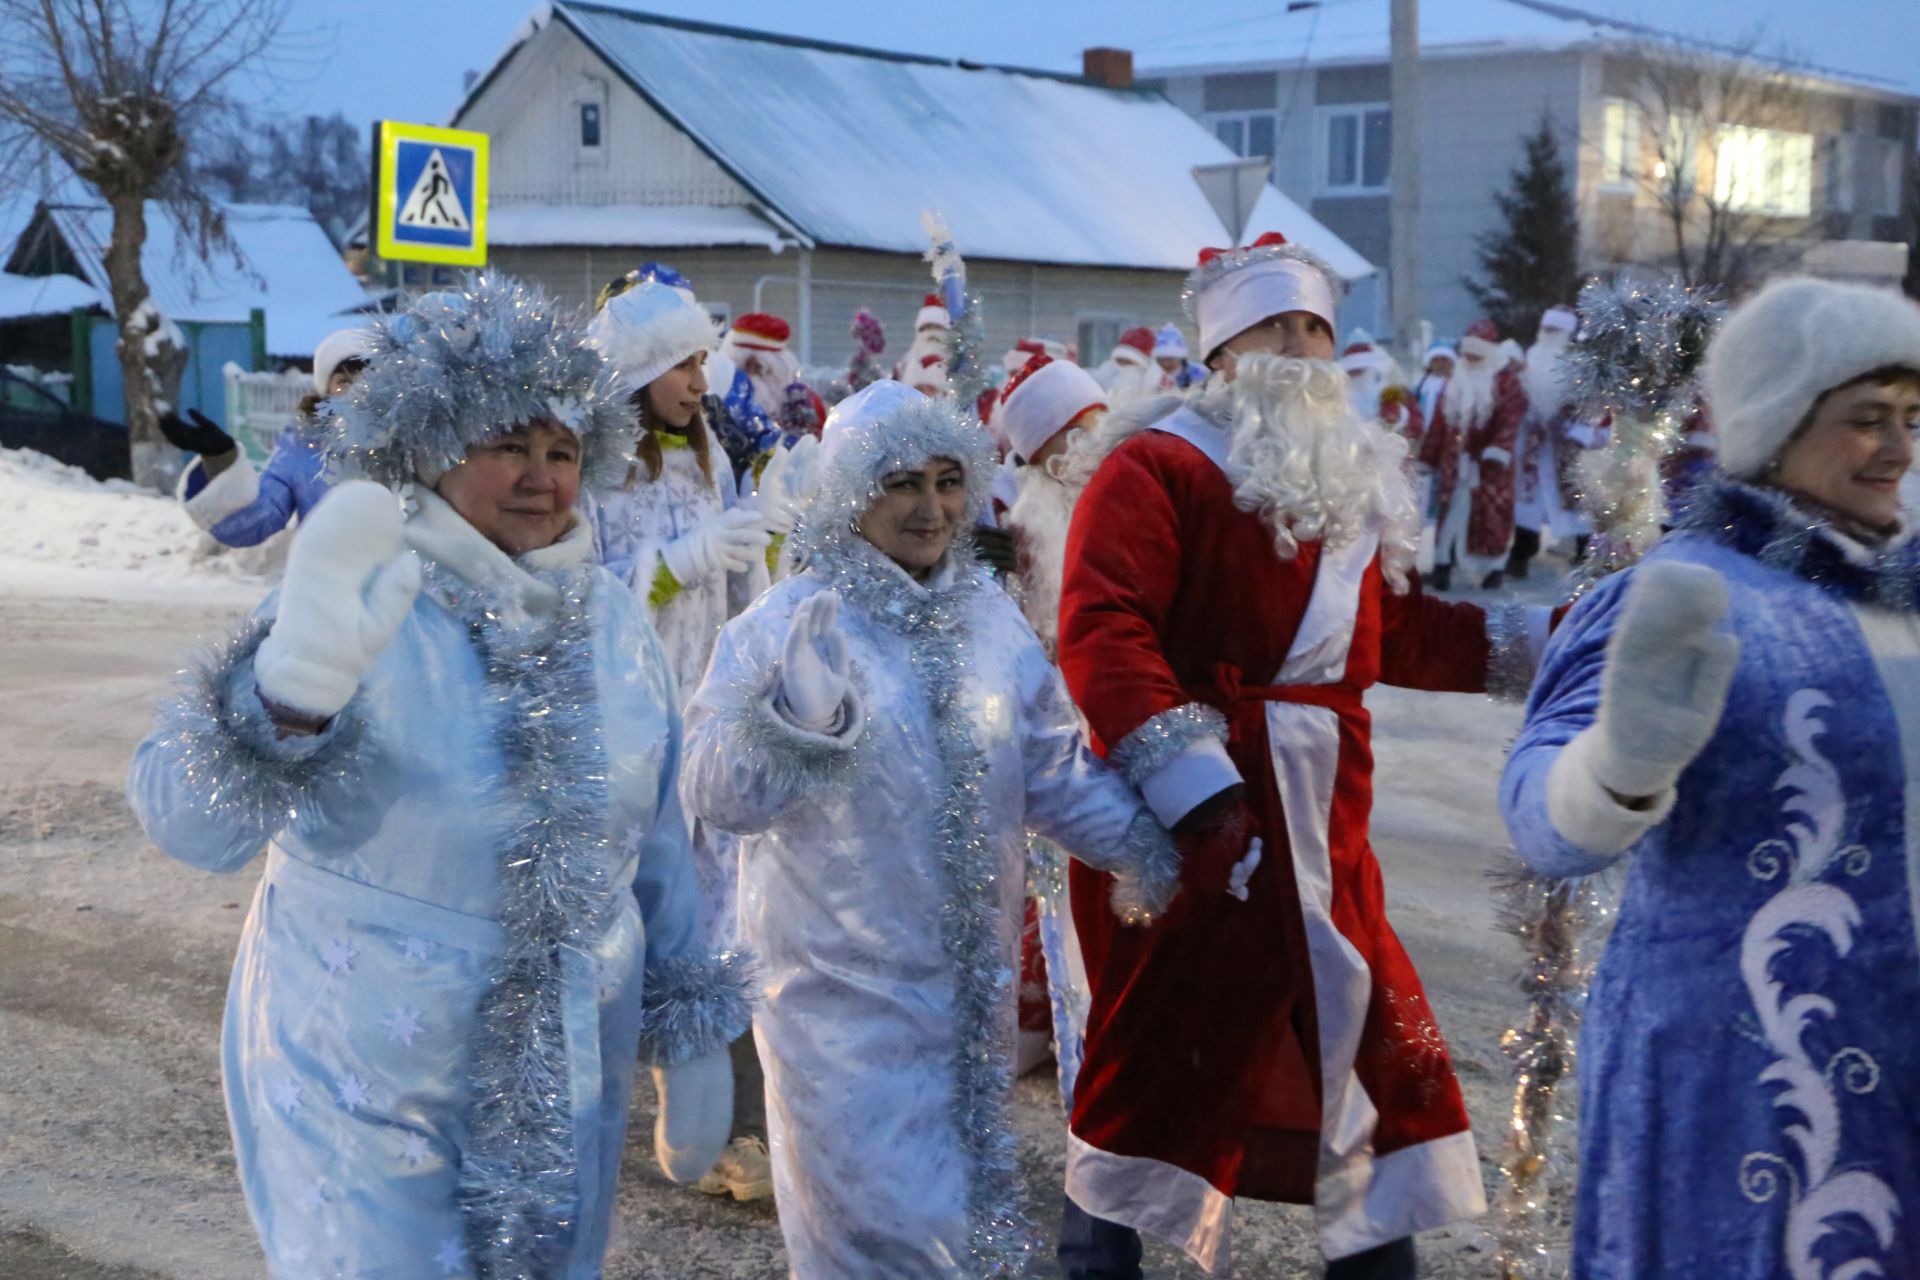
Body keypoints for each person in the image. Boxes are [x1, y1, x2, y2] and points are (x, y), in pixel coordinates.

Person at [124, 274, 749, 1277]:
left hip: (564, 1076)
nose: (543, 477)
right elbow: (185, 820)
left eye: (562, 449)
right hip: (365, 1071)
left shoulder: (614, 622)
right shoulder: (356, 586)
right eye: (508, 443)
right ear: (431, 445)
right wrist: (290, 693)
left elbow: (655, 839)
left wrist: (689, 1023)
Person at [1055, 233, 1542, 1280]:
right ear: (1223, 350)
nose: (1303, 351)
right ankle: (1092, 1256)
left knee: (1374, 1039)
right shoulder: (1155, 466)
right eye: (1276, 328)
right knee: (1160, 1048)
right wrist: (1197, 793)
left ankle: (1378, 1261)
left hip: (1329, 818)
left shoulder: (1345, 488)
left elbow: (1396, 631)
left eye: (1316, 328)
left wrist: (1551, 649)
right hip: (1200, 823)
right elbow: (1105, 628)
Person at [681, 380, 1181, 1278]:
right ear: (848, 493)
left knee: (962, 1228)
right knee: (878, 1238)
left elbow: (1053, 771)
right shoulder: (788, 621)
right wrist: (798, 719)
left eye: (949, 480)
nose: (931, 507)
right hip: (834, 1008)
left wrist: (1160, 846)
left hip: (963, 1007)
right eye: (900, 481)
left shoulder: (990, 621)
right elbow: (719, 795)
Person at [1501, 276, 1920, 1278]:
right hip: (1741, 1087)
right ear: (1776, 426)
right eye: (1866, 419)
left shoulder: (1905, 596)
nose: (1900, 448)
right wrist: (1620, 765)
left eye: (1912, 416)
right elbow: (1541, 818)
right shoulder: (1686, 590)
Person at [587, 279, 807, 1202]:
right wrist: (671, 567)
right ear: (637, 371)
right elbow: (583, 595)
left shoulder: (711, 457)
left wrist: (768, 547)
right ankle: (593, 1104)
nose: (697, 378)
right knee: (635, 927)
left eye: (699, 359)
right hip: (630, 730)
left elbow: (738, 594)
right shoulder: (597, 469)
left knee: (720, 923)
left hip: (707, 724)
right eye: (680, 362)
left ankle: (731, 1128)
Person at [996, 353, 1114, 1083]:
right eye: (1058, 446)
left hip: (1131, 730)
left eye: (1088, 429)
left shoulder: (1143, 490)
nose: (1080, 454)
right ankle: (1067, 1045)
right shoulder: (1026, 530)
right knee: (1059, 903)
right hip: (1058, 736)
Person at [167, 327, 370, 546]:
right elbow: (258, 520)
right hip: (327, 575)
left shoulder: (409, 440)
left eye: (368, 379)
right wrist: (220, 462)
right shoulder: (305, 446)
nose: (357, 391)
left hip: (405, 576)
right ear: (326, 389)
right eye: (344, 382)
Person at [596, 262, 772, 487]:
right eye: (682, 365)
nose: (702, 385)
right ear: (638, 377)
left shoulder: (710, 458)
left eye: (702, 363)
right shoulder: (595, 476)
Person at [1419, 318, 1529, 590]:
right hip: (1455, 461)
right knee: (1450, 512)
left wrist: (1498, 449)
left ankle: (1494, 568)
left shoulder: (1505, 381)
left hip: (1491, 466)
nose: (1470, 358)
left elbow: (1510, 418)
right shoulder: (1456, 378)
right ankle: (1442, 564)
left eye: (1476, 354)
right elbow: (1440, 423)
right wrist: (1427, 457)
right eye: (1467, 353)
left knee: (1492, 516)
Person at [1509, 305, 1590, 578]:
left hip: (1567, 445)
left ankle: (1585, 551)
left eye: (1556, 330)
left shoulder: (1576, 363)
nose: (1549, 334)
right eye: (1547, 329)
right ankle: (1521, 552)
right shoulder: (1530, 357)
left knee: (1573, 500)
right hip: (1534, 444)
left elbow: (1587, 406)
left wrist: (1565, 424)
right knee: (1528, 503)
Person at [1340, 340, 1423, 444]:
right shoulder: (1337, 394)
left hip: (1389, 455)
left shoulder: (1393, 390)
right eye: (1351, 372)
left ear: (1372, 368)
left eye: (1360, 370)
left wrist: (1399, 417)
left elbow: (1417, 426)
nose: (1356, 376)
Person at [1098, 326, 1165, 407]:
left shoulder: (1155, 388)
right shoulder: (1104, 376)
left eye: (1129, 362)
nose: (1124, 366)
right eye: (1120, 361)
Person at [1153, 323, 1206, 390]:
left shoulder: (1198, 372)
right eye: (1160, 359)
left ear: (1180, 357)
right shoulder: (1156, 376)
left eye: (1169, 359)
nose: (1165, 363)